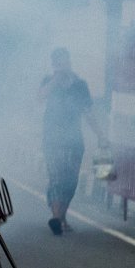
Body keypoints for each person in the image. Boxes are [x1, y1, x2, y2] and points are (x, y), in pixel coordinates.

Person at [39, 47, 102, 236]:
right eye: (56, 63)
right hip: (51, 139)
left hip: (73, 140)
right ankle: (57, 218)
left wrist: (101, 135)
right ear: (53, 65)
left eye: (63, 61)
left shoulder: (80, 85)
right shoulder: (48, 82)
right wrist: (54, 81)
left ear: (69, 61)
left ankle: (61, 217)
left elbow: (88, 113)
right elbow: (39, 97)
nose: (60, 65)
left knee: (70, 181)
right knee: (56, 178)